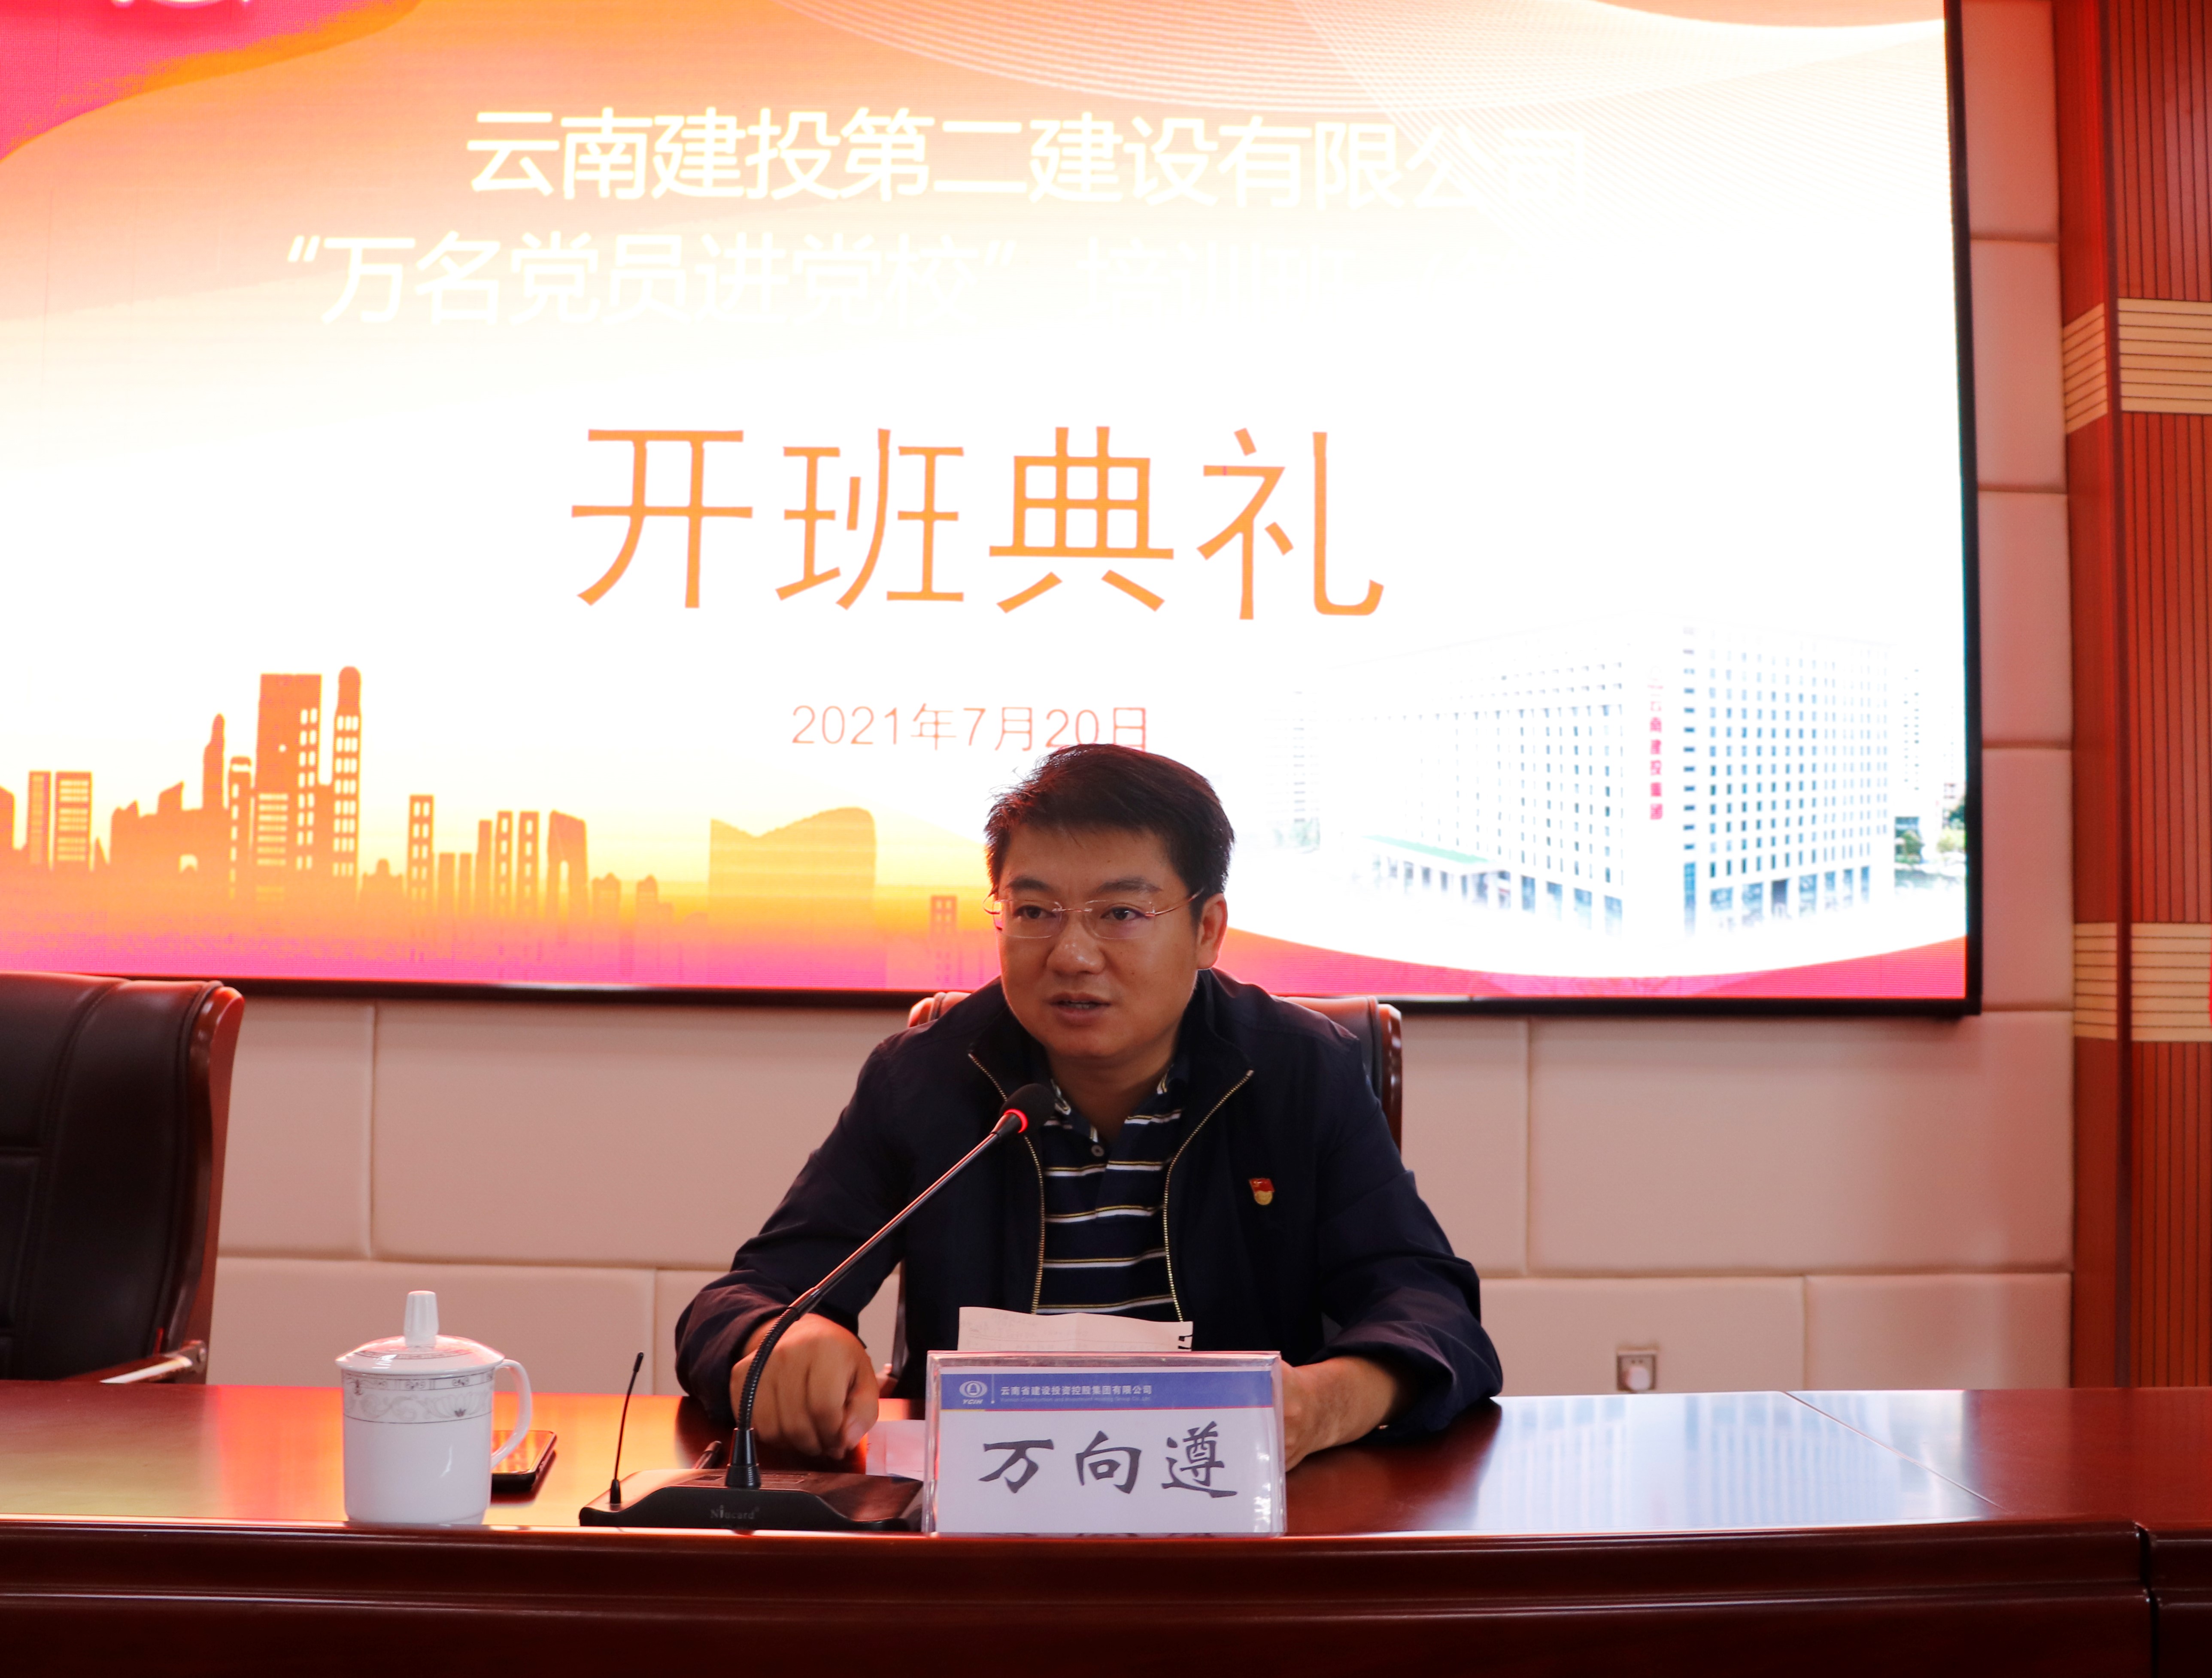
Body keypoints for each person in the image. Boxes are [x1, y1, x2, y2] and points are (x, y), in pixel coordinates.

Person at [676, 745, 1501, 1469]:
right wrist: (783, 1338)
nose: (1072, 954)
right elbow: (742, 1300)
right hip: (985, 1526)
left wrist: (1324, 1404)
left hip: (1232, 1520)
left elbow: (1430, 1311)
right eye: (1034, 911)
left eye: (1121, 914)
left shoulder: (1297, 1070)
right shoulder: (926, 1077)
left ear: (1207, 930)